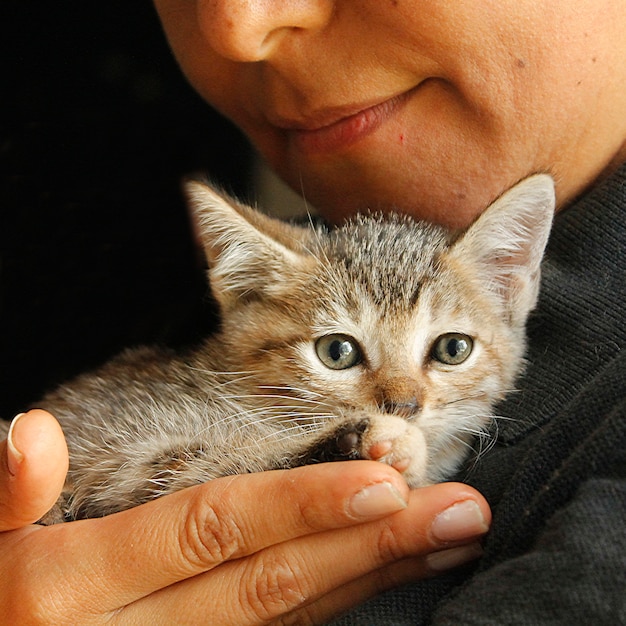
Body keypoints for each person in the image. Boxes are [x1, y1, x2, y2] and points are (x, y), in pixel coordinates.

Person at [1, 1, 624, 623]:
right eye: (340, 351)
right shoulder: (148, 302)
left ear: (514, 277)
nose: (237, 27)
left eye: (448, 350)